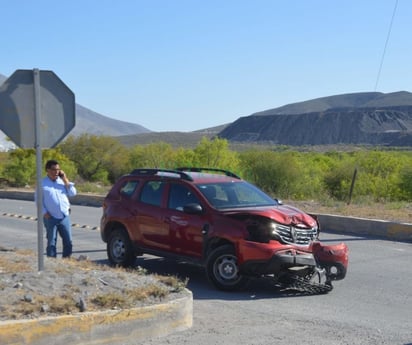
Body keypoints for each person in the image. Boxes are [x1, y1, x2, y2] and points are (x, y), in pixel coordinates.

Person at [41, 159, 77, 258]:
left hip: (64, 216)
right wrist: (44, 212)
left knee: (68, 242)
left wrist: (65, 179)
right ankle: (52, 263)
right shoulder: (42, 183)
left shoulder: (62, 182)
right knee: (52, 242)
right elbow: (38, 200)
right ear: (47, 170)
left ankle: (66, 262)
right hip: (50, 217)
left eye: (58, 169)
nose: (56, 172)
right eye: (53, 169)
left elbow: (73, 193)